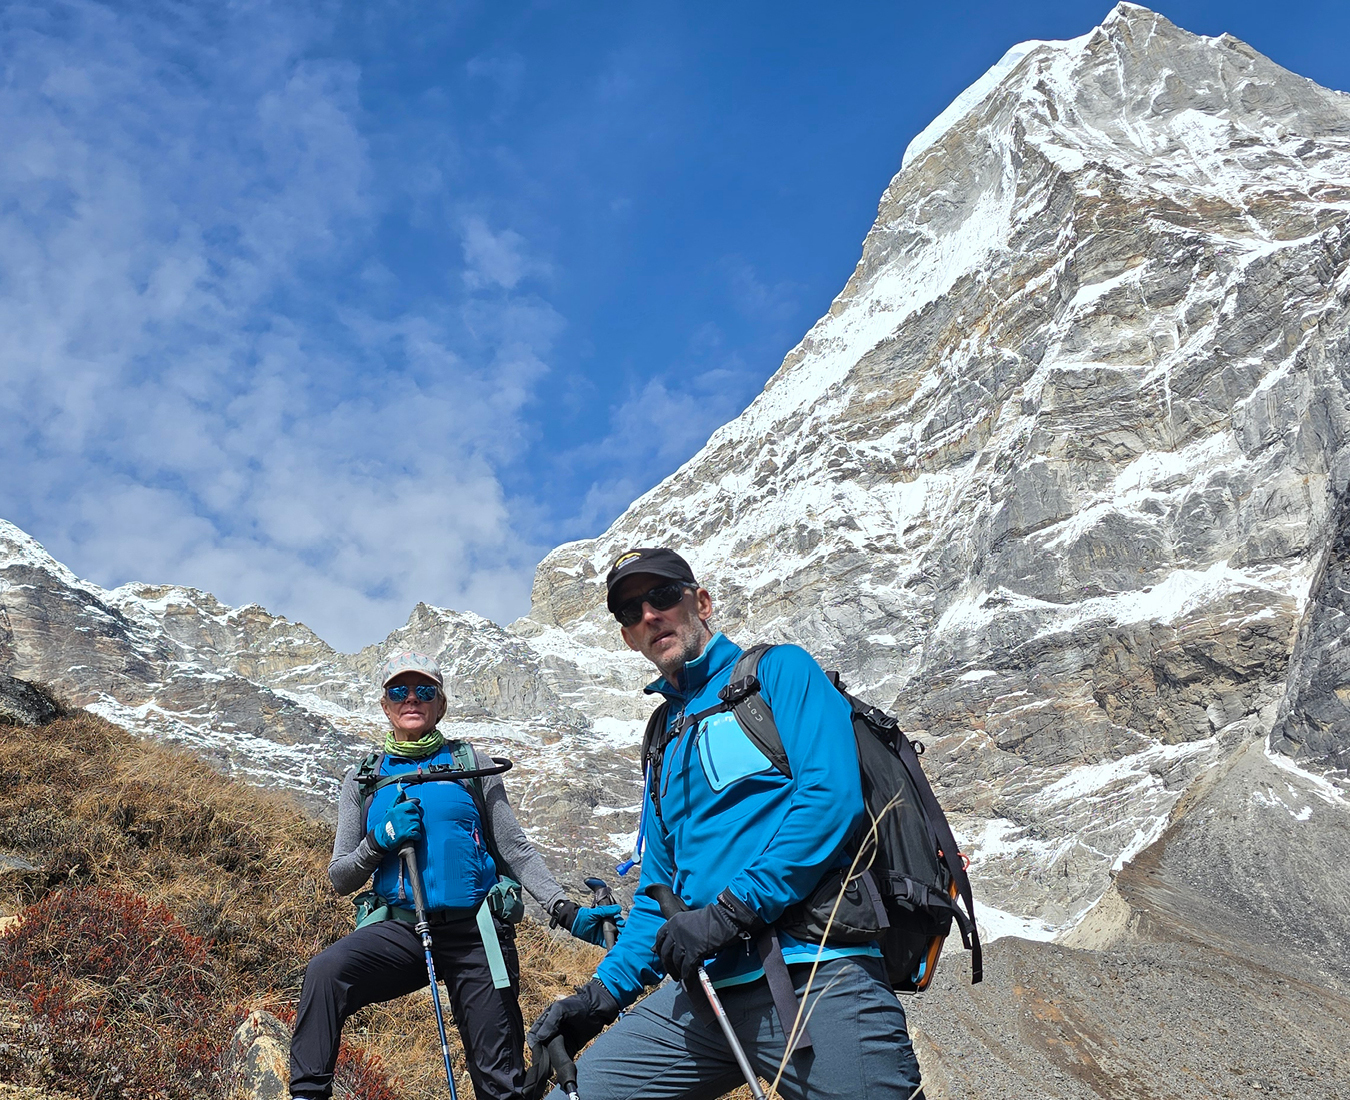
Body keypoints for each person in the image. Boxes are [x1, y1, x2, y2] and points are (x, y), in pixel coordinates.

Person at [526, 548, 924, 1100]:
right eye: (630, 611)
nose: (649, 615)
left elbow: (830, 801)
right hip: (705, 994)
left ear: (701, 601)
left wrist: (728, 913)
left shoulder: (778, 672)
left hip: (816, 972)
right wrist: (598, 1001)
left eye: (663, 596)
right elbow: (656, 895)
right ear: (627, 638)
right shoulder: (663, 735)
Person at [290, 650, 622, 1100]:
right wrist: (378, 842)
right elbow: (340, 877)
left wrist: (564, 910)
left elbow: (516, 849)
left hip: (477, 935)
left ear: (440, 704)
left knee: (499, 1080)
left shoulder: (471, 764)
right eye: (399, 691)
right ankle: (307, 1094)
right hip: (403, 930)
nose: (412, 698)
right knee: (327, 973)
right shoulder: (363, 778)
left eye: (424, 690)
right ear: (385, 705)